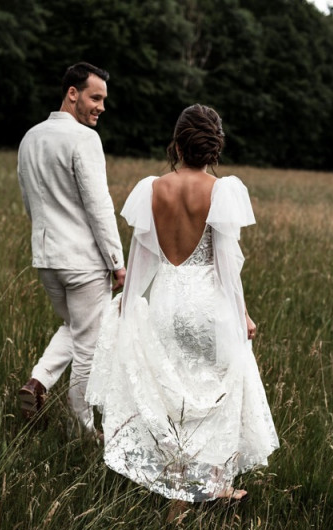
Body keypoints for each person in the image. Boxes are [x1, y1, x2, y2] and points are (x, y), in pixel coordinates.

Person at [86, 104, 279, 503]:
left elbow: (140, 260)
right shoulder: (221, 191)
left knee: (175, 401)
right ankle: (201, 490)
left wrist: (129, 303)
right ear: (214, 145)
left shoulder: (152, 188)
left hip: (166, 303)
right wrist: (242, 313)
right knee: (215, 397)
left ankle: (189, 487)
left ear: (177, 142)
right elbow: (226, 267)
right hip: (207, 305)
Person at [17, 62, 126, 434]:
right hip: (84, 262)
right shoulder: (84, 139)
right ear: (72, 93)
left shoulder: (30, 138)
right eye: (96, 98)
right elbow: (99, 205)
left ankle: (37, 382)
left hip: (47, 259)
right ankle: (81, 430)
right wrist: (117, 261)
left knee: (75, 326)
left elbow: (29, 202)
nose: (101, 107)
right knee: (88, 347)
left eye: (104, 100)